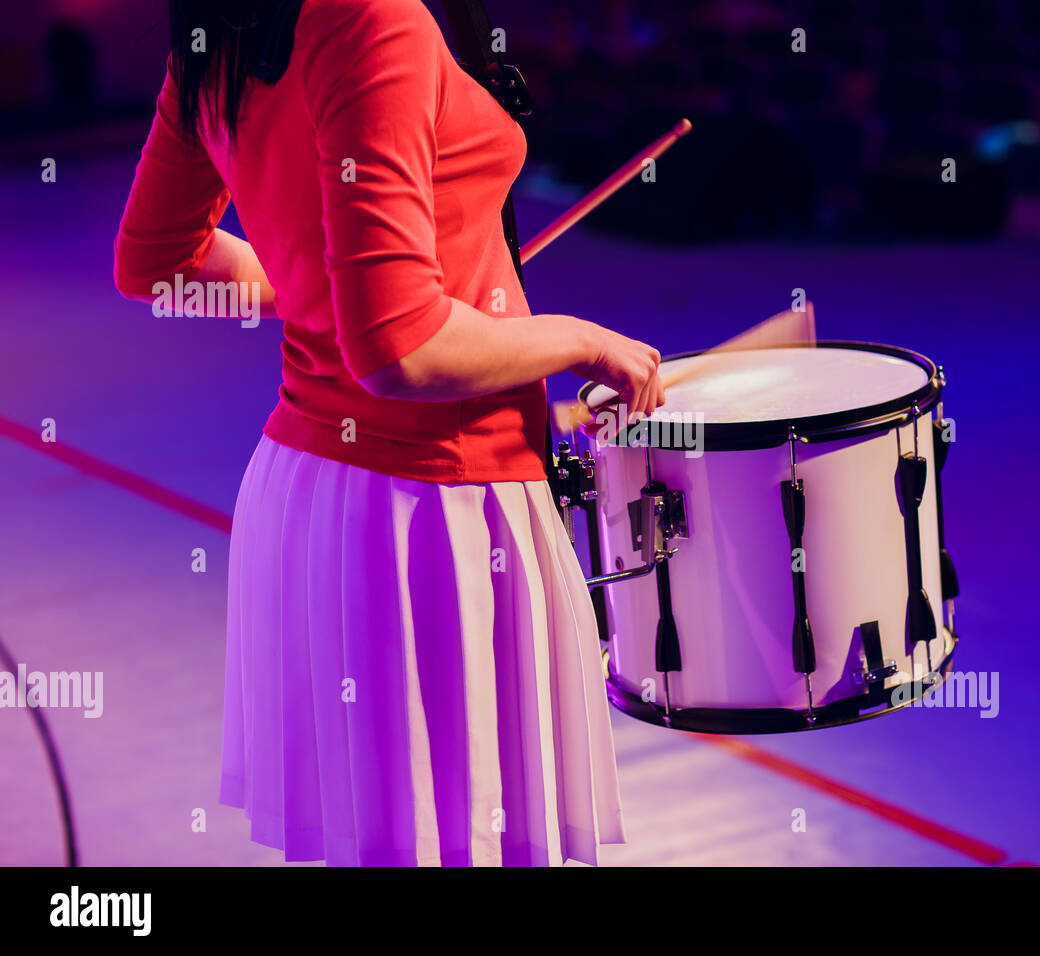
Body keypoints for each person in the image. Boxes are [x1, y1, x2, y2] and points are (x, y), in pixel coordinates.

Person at [112, 0, 664, 866]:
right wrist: (585, 341)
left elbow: (158, 263)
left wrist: (326, 293)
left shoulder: (220, 33)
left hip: (315, 495)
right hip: (430, 515)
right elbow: (402, 352)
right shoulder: (372, 19)